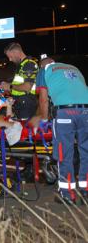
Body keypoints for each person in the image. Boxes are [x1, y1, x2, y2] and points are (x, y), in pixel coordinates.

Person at [32, 54, 88, 204]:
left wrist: (44, 120)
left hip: (65, 113)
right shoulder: (74, 68)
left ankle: (67, 194)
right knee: (86, 152)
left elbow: (43, 98)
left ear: (42, 64)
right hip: (86, 112)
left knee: (64, 153)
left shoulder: (44, 71)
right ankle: (85, 190)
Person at [0, 42, 38, 120]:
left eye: (10, 56)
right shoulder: (21, 65)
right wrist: (7, 88)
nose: (10, 59)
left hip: (27, 103)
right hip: (20, 103)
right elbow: (18, 85)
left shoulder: (29, 65)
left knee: (24, 130)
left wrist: (9, 86)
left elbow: (27, 87)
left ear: (16, 52)